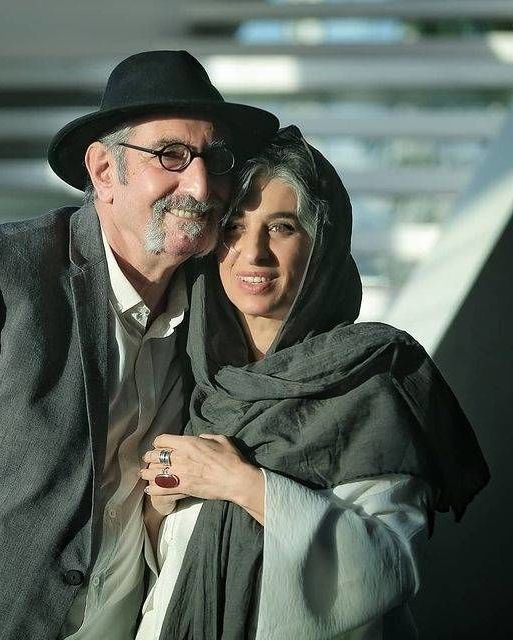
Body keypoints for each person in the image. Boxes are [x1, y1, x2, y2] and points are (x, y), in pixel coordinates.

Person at [0, 50, 278, 638]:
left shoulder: (218, 304)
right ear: (104, 170)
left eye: (215, 160)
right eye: (170, 155)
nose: (199, 184)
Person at [136, 126, 490, 639]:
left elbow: (387, 566)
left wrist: (242, 483)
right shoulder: (201, 381)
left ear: (321, 244)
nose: (252, 252)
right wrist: (158, 507)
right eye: (234, 227)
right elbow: (167, 573)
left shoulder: (368, 380)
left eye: (281, 227)